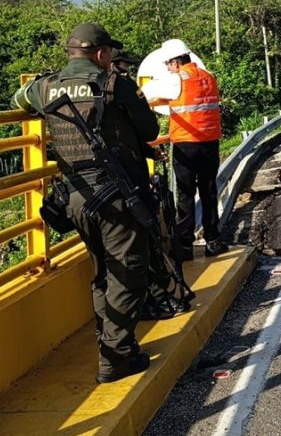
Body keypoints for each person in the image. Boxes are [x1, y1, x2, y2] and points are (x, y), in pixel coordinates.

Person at [12, 23, 157, 383]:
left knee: (102, 273)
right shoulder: (114, 84)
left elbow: (17, 101)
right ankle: (116, 358)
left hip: (76, 196)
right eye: (109, 53)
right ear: (101, 54)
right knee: (127, 274)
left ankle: (107, 340)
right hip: (118, 196)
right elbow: (150, 132)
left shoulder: (45, 87)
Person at [146, 39, 229, 262]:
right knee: (209, 191)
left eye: (167, 64)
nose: (166, 68)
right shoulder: (208, 76)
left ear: (175, 62)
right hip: (210, 143)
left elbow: (146, 94)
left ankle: (185, 245)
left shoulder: (176, 79)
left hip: (186, 145)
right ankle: (213, 240)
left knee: (185, 194)